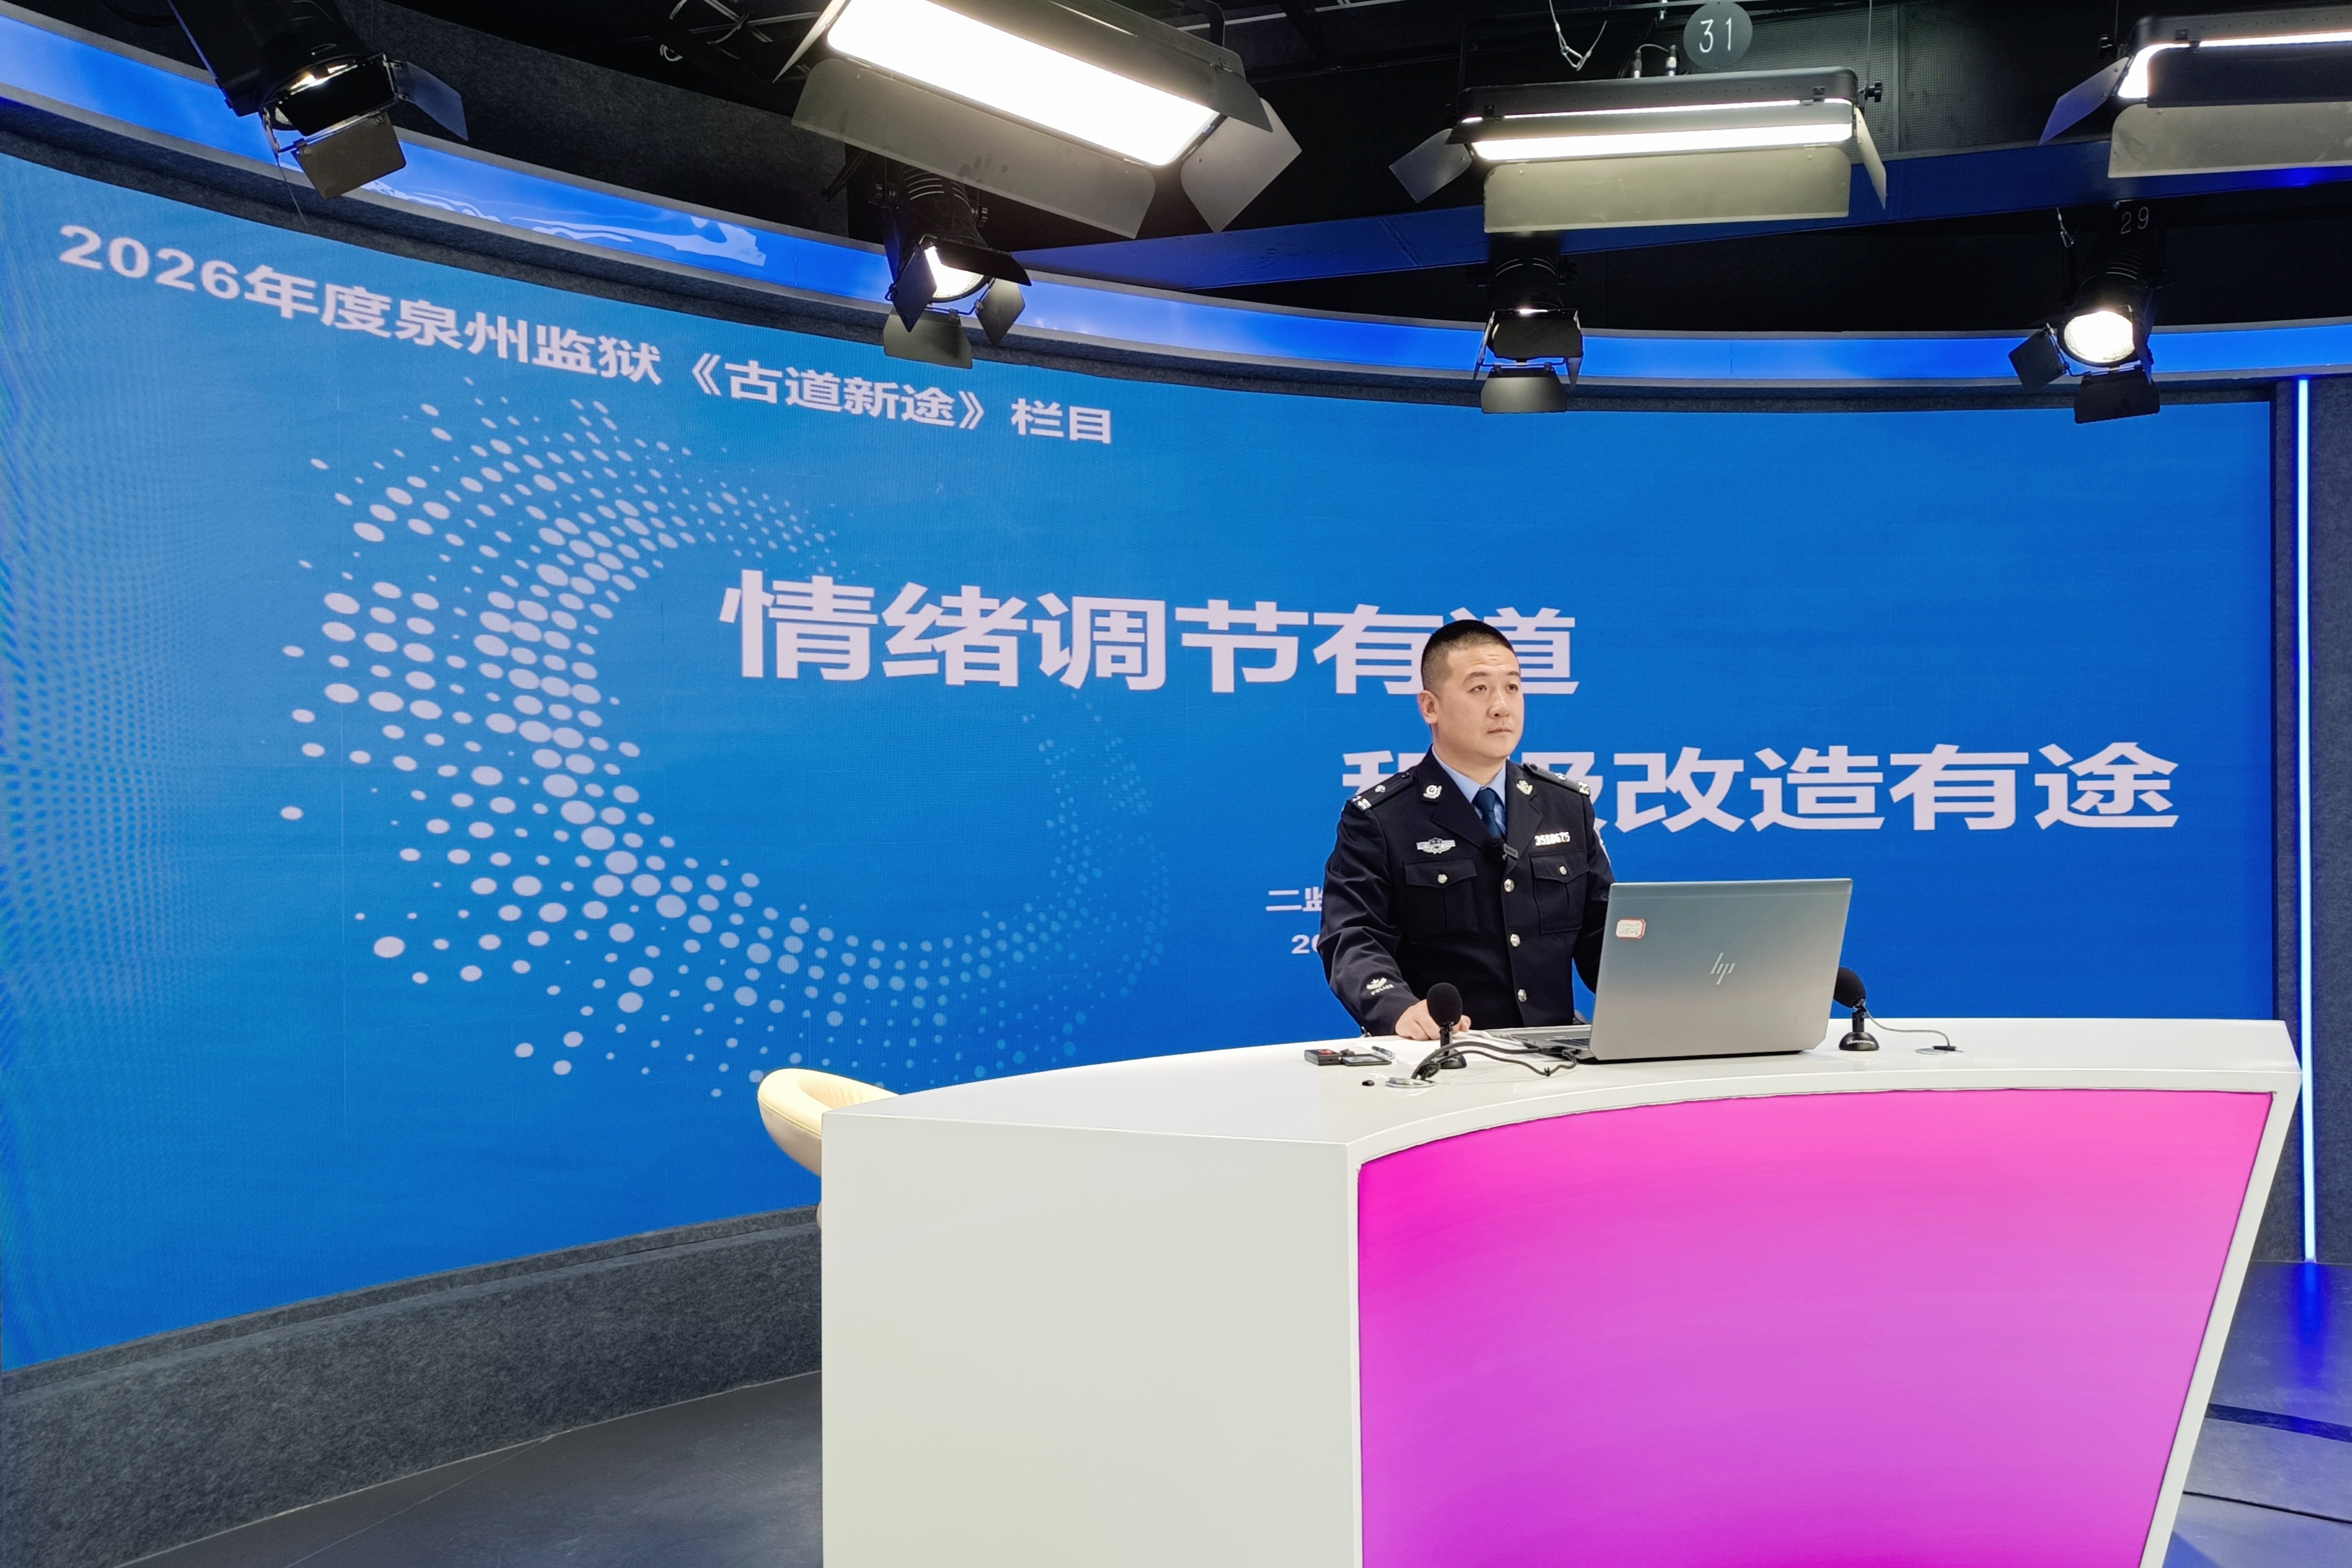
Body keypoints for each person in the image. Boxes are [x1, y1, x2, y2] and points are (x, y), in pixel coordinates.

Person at [1318, 618, 1612, 1040]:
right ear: (1430, 707)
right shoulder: (1382, 818)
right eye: (1479, 689)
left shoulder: (1565, 806)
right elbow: (1352, 937)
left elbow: (1603, 934)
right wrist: (1399, 1009)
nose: (1502, 706)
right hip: (1445, 1053)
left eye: (1512, 687)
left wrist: (1660, 987)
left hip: (1557, 1054)